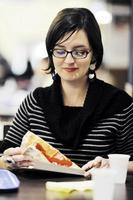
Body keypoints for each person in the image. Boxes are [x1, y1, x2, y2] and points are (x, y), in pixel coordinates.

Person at [0, 7, 133, 177]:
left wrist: (114, 165)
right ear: (51, 54)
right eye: (60, 51)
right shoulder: (35, 102)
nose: (69, 60)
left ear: (94, 55)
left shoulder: (119, 105)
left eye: (80, 52)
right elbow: (4, 156)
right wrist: (8, 160)